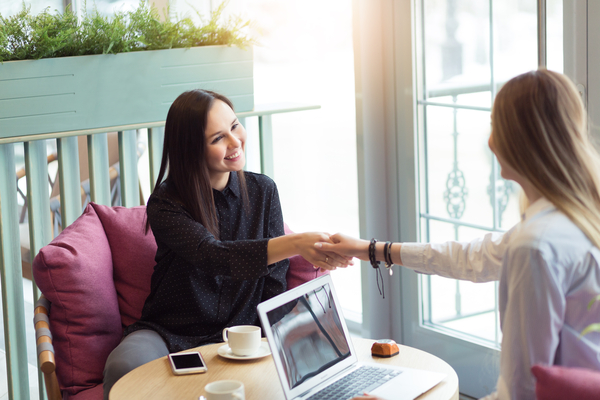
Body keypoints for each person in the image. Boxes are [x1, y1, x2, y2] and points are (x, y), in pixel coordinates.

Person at [316, 69, 600, 400]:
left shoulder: (535, 246)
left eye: (495, 125)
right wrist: (373, 249)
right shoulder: (575, 216)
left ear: (521, 138)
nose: (490, 140)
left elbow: (522, 392)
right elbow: (472, 257)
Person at [103, 89, 350, 399]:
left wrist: (275, 340)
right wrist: (296, 242)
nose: (235, 142)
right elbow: (212, 256)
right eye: (218, 138)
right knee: (124, 365)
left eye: (235, 126)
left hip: (241, 337)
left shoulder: (263, 191)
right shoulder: (166, 204)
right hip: (169, 334)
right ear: (191, 150)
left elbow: (274, 283)